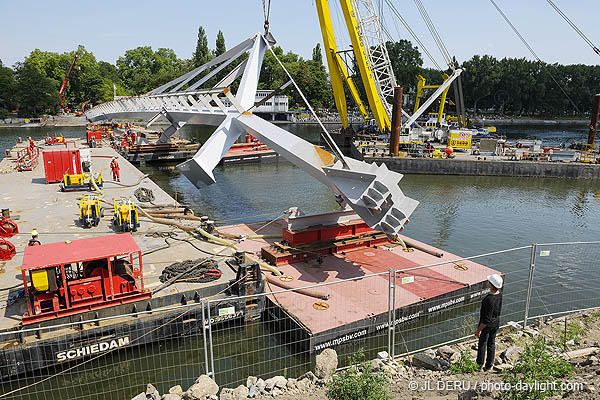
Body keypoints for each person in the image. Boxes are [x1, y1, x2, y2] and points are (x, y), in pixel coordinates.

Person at [475, 273, 503, 371]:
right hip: (496, 323)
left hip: (487, 325)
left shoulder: (488, 299)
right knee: (491, 343)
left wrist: (478, 330)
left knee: (482, 343)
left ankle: (479, 365)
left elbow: (486, 319)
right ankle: (489, 364)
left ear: (490, 284)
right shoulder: (499, 295)